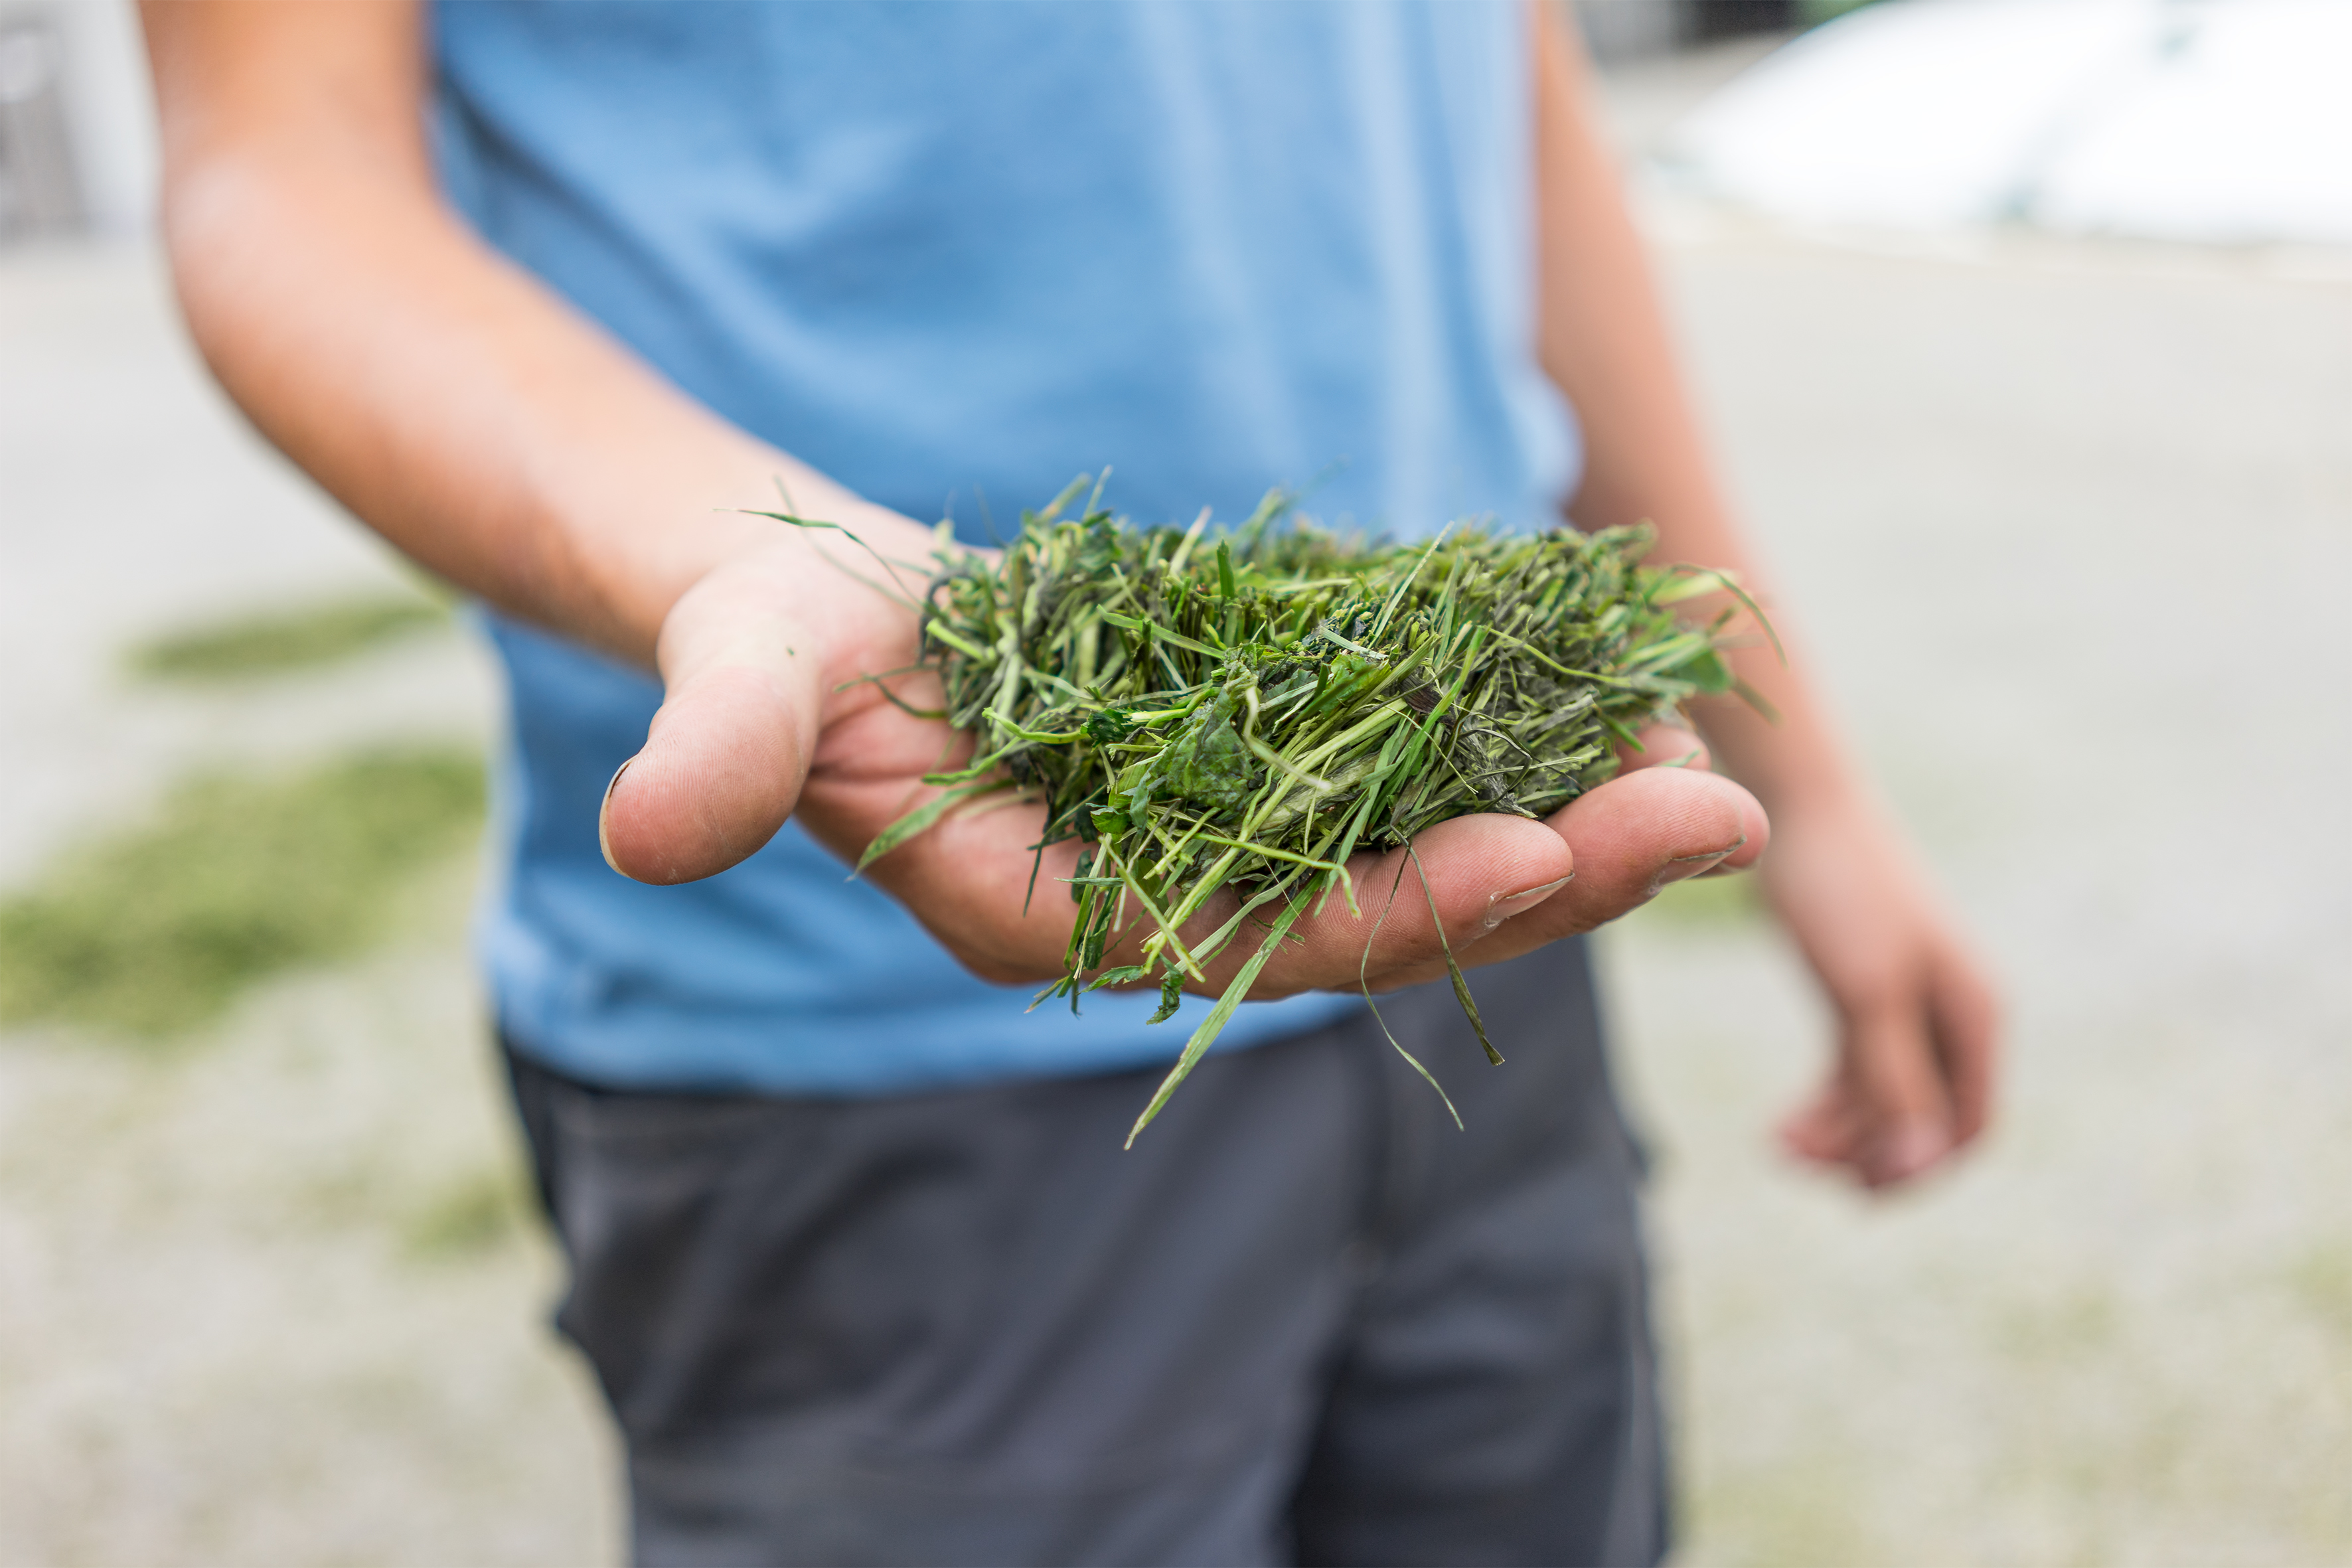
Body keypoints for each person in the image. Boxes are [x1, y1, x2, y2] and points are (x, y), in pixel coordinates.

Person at [141, 2, 1999, 1563]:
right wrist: (722, 557)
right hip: (870, 1037)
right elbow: (283, 168)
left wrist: (1802, 777)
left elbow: (1492, 66)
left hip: (1483, 900)